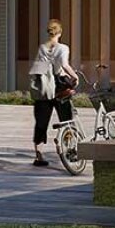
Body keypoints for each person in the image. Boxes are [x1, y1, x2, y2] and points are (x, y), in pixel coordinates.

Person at [28, 18, 79, 166]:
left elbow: (39, 68)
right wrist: (74, 76)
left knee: (41, 122)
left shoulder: (42, 47)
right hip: (60, 86)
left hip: (45, 87)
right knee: (67, 118)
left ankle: (39, 156)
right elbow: (64, 65)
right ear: (60, 32)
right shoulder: (63, 48)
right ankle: (69, 148)